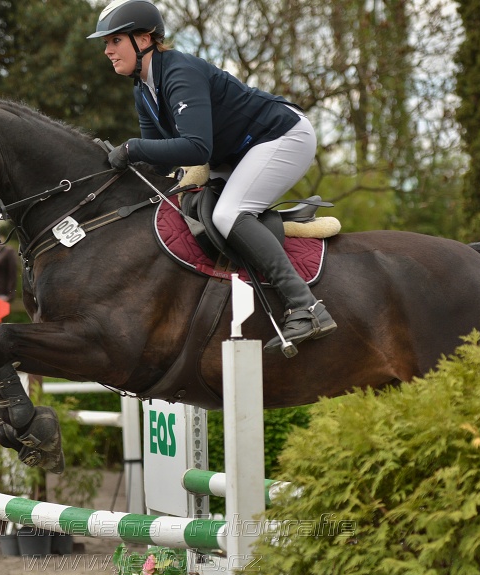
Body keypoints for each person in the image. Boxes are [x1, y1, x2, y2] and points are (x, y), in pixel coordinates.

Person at [88, 0, 336, 356]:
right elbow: (159, 161)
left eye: (114, 40)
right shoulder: (143, 90)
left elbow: (195, 148)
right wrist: (118, 162)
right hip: (236, 154)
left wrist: (133, 149)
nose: (107, 50)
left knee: (228, 214)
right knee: (184, 209)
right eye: (106, 43)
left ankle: (307, 306)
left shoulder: (179, 71)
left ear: (143, 39)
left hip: (281, 136)